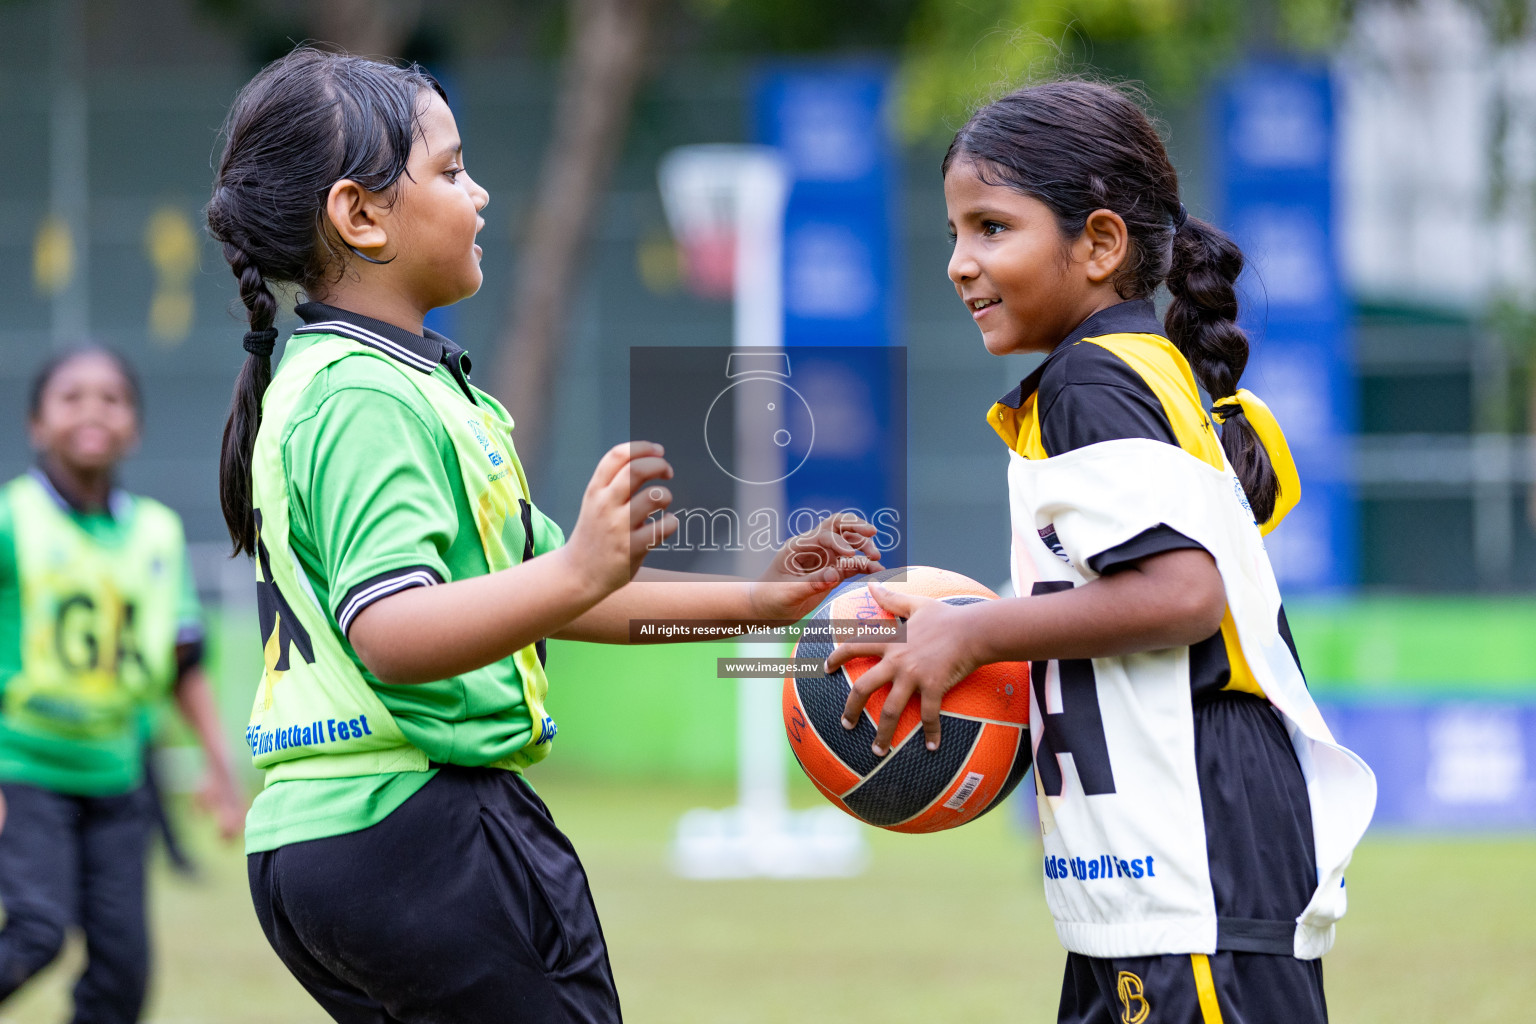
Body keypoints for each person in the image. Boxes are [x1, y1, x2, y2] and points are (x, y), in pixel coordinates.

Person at [207, 47, 880, 1024]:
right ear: (359, 216)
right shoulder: (361, 395)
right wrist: (573, 568)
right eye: (448, 170)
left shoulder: (405, 385)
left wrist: (755, 603)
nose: (479, 195)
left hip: (332, 839)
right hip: (417, 826)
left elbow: (559, 594)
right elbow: (393, 632)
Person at [829, 80, 1376, 1024]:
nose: (960, 264)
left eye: (993, 228)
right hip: (1154, 882)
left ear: (1100, 243)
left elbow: (1180, 594)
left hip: (1195, 871)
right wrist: (968, 624)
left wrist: (975, 634)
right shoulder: (1122, 375)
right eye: (955, 233)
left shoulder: (1096, 380)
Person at [0, 346, 245, 1024]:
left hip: (118, 782)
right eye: (71, 397)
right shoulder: (12, 520)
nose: (92, 411)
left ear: (133, 426)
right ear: (37, 425)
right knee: (36, 933)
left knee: (124, 974)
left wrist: (220, 771)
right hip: (24, 770)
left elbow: (183, 664)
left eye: (111, 399)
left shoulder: (158, 534)